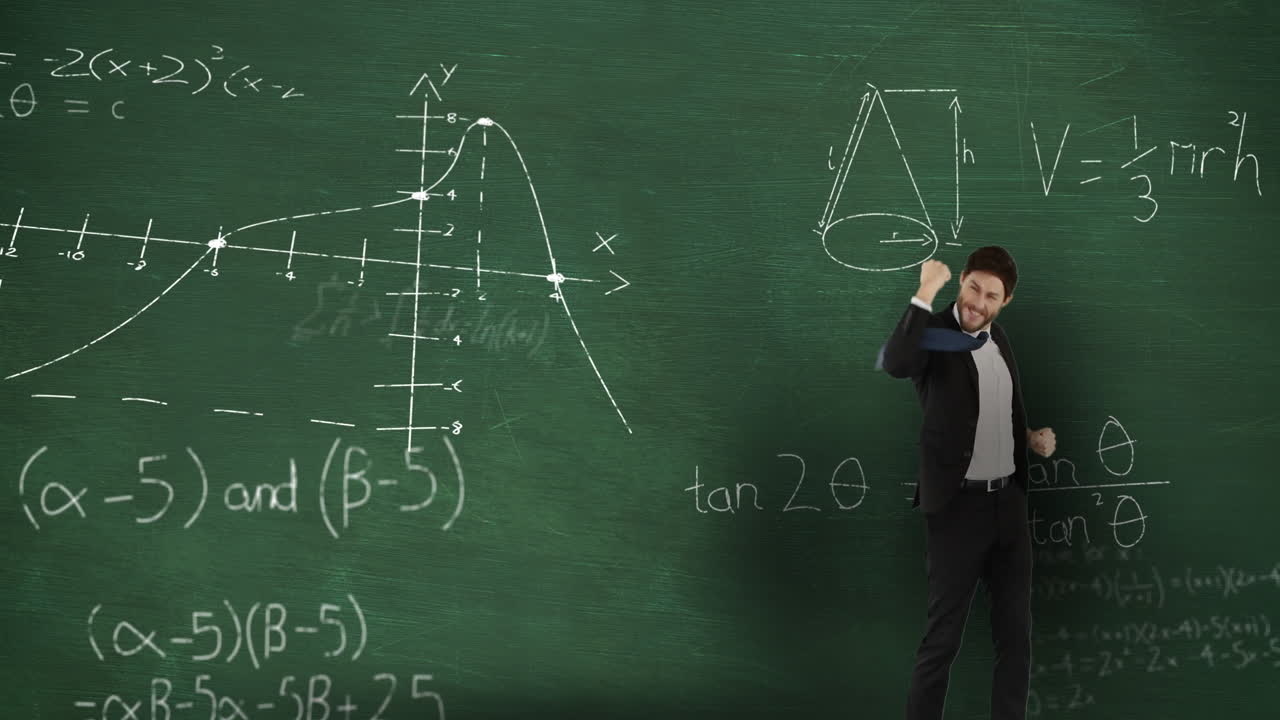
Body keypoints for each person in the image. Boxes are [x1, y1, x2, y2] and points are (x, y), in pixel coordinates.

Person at [879, 246, 1056, 720]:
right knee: (942, 642)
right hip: (958, 509)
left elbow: (991, 413)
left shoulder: (1001, 341)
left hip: (1010, 507)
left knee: (1015, 639)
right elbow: (896, 362)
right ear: (961, 280)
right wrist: (924, 290)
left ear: (1005, 302)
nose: (978, 302)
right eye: (973, 287)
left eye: (991, 296)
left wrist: (1029, 438)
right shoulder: (933, 336)